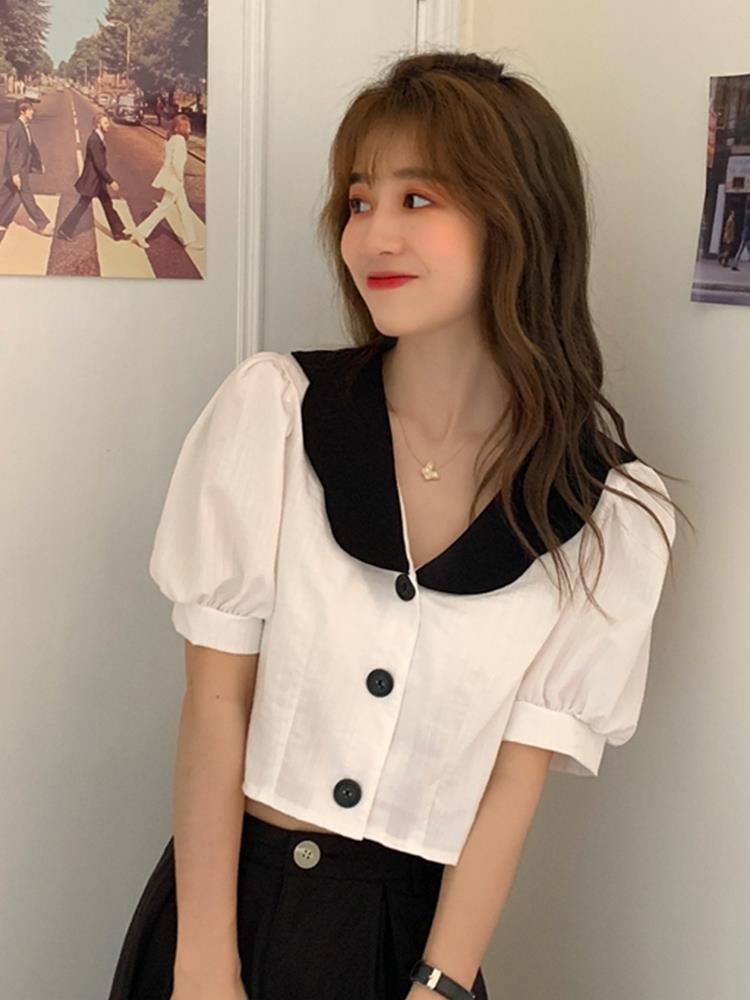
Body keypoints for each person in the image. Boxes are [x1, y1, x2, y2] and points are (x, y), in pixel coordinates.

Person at [107, 51, 684, 1000]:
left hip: (412, 948)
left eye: (419, 199)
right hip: (229, 918)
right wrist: (204, 963)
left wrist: (441, 985)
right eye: (359, 200)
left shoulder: (610, 513)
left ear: (519, 219)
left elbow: (513, 783)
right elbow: (213, 706)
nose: (372, 234)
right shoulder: (277, 415)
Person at [131, 113, 202, 250]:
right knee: (164, 209)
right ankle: (140, 232)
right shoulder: (180, 140)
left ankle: (189, 240)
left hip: (171, 179)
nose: (189, 129)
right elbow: (177, 163)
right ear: (178, 128)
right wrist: (180, 179)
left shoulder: (171, 139)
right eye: (186, 126)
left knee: (184, 210)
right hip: (175, 180)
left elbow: (165, 159)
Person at [56, 111, 129, 242]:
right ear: (98, 124)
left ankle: (118, 232)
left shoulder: (98, 137)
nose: (108, 125)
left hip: (97, 180)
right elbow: (99, 164)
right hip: (92, 180)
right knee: (82, 206)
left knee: (107, 204)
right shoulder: (94, 139)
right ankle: (64, 230)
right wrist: (111, 181)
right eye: (105, 123)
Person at [0, 99, 54, 236]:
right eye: (30, 110)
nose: (32, 112)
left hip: (20, 169)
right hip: (17, 170)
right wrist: (15, 173)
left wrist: (38, 164)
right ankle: (42, 224)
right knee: (27, 197)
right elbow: (12, 152)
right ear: (22, 112)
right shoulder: (15, 128)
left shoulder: (25, 127)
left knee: (4, 196)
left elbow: (31, 148)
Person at [730, 198, 750, 271]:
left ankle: (735, 264)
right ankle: (735, 264)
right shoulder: (749, 213)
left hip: (745, 234)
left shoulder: (746, 212)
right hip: (748, 234)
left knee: (740, 250)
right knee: (743, 249)